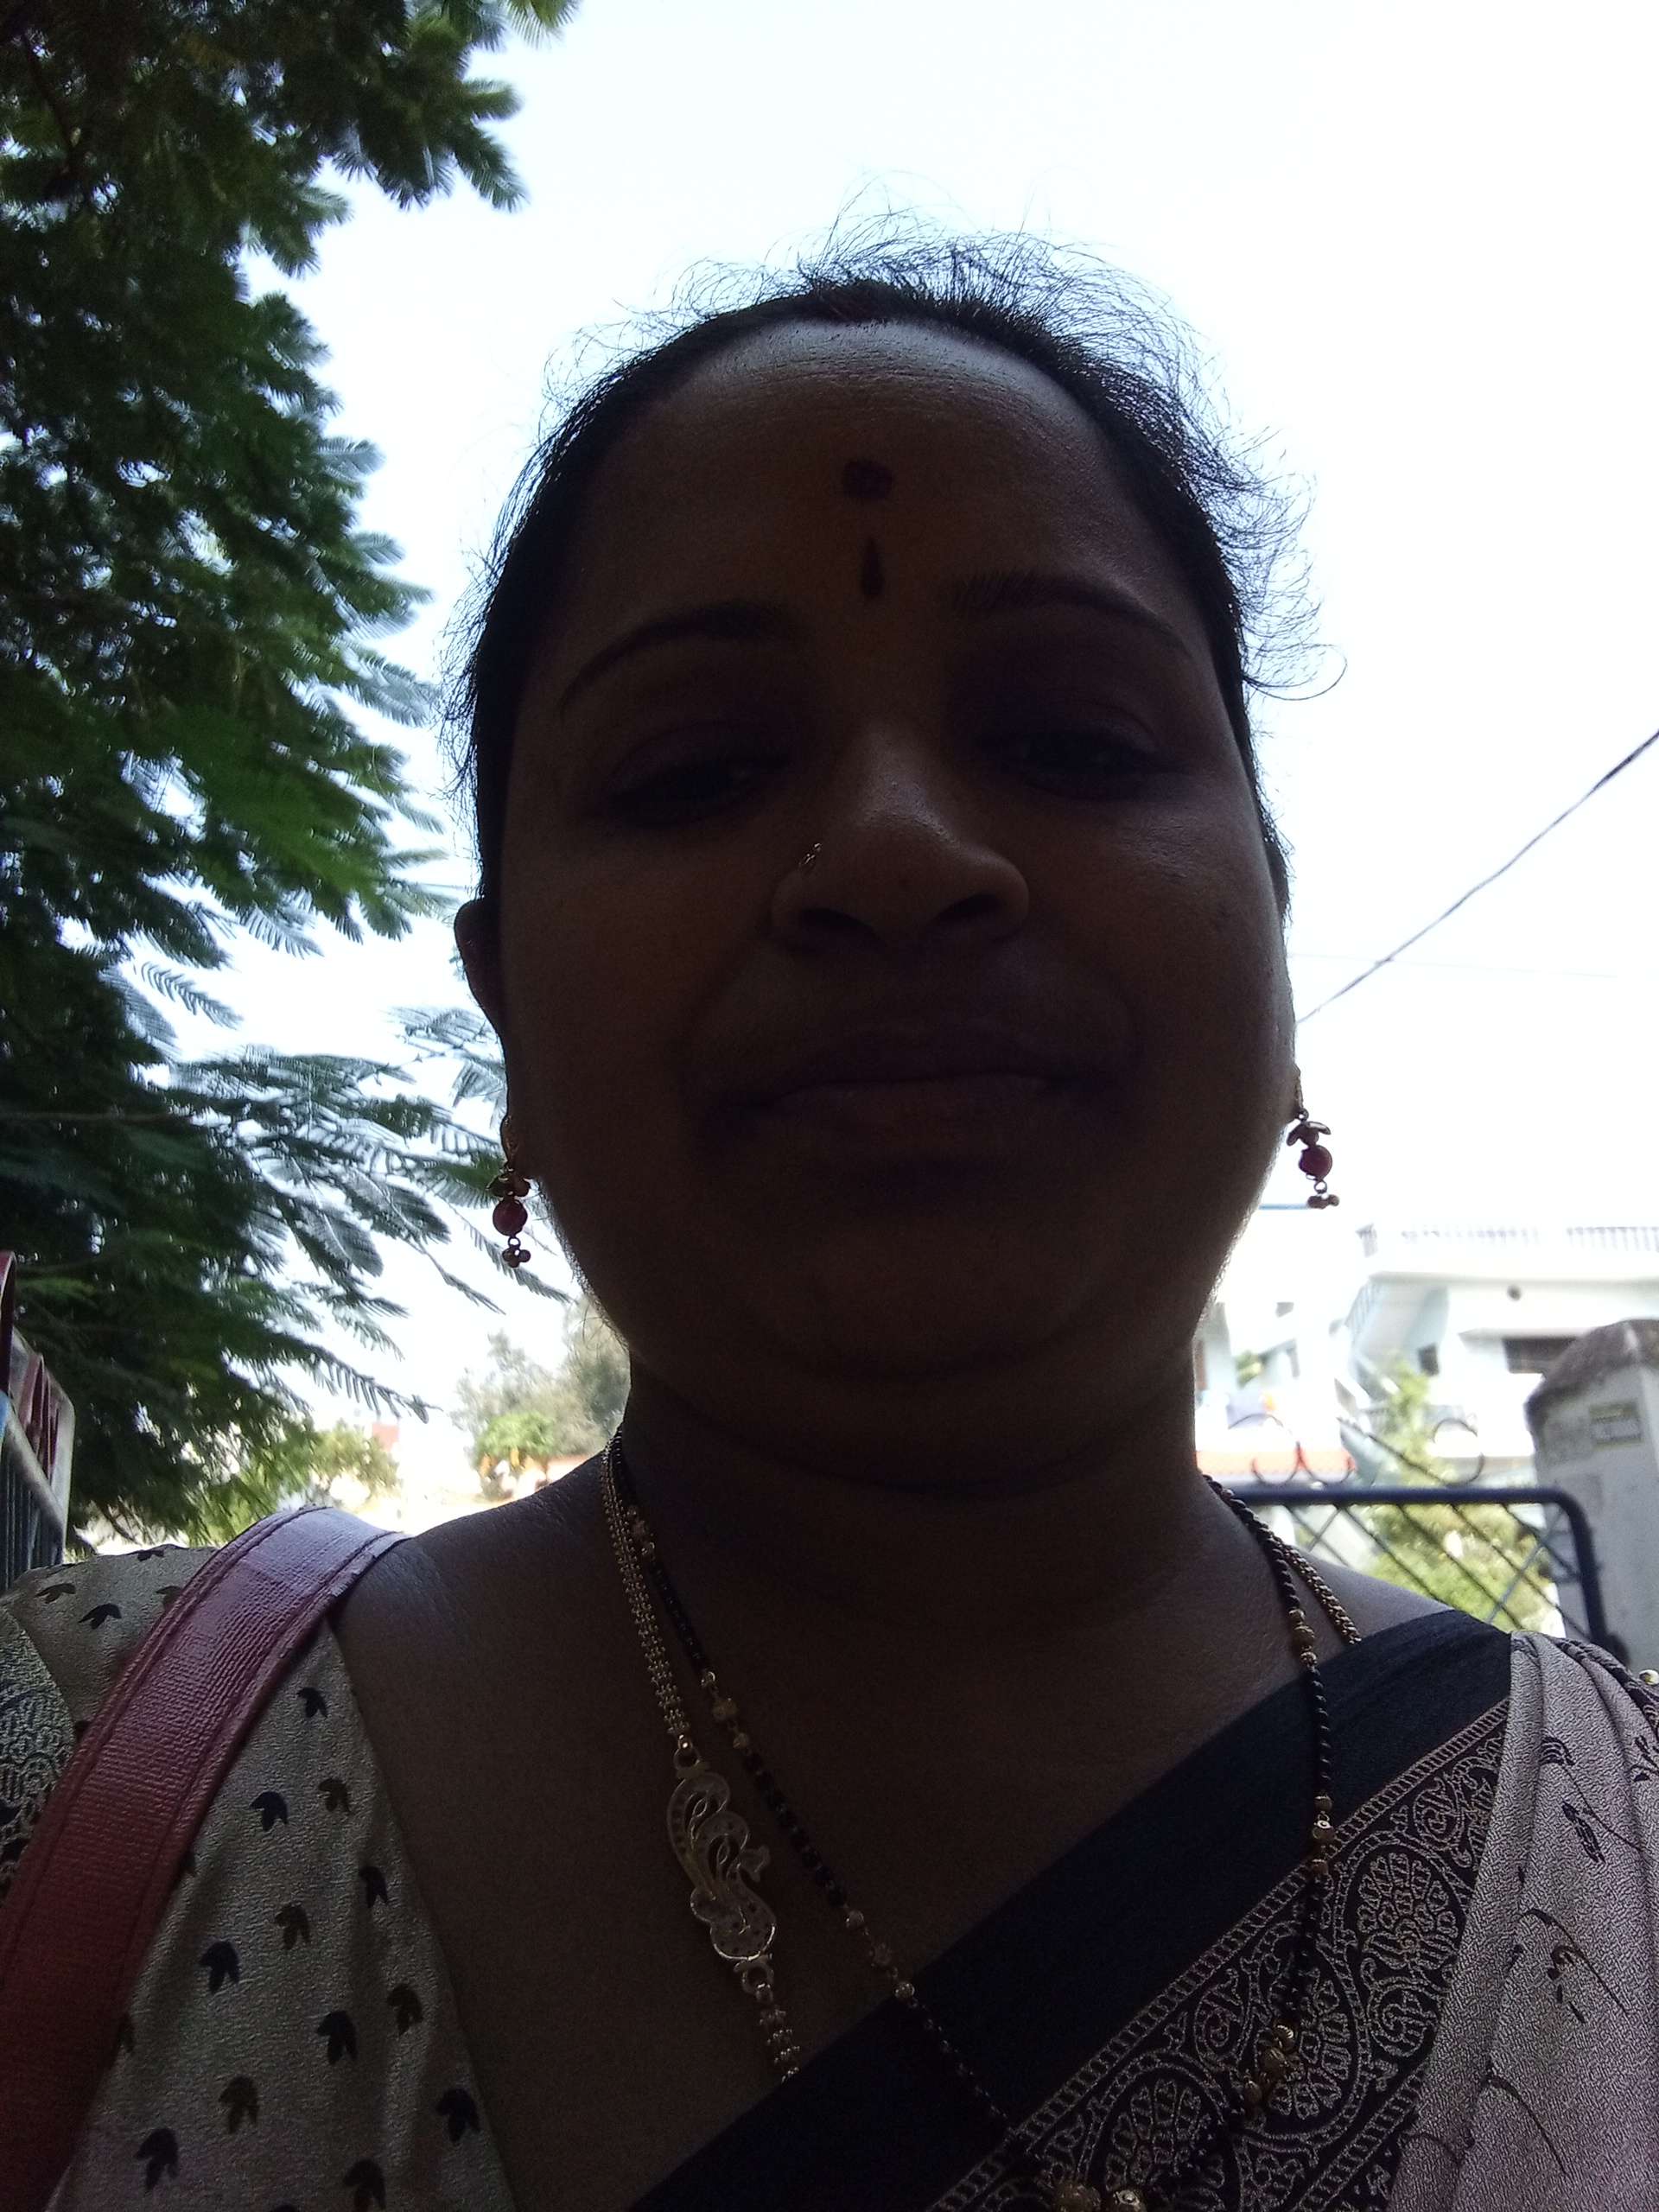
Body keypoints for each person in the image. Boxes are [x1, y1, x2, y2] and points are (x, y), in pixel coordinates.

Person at [4, 233, 1657, 2212]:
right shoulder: (75, 1787)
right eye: (699, 765)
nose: (895, 849)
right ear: (504, 1003)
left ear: (1273, 927)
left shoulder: (1624, 1855)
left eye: (1070, 738)